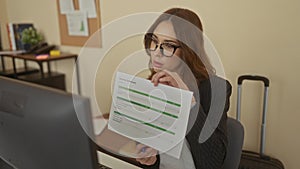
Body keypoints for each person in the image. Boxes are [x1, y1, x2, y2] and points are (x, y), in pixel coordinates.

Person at [134, 8, 232, 169]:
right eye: (155, 42)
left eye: (168, 45)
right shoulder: (151, 86)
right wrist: (151, 160)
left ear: (188, 51)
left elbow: (212, 163)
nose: (157, 53)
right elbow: (153, 155)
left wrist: (188, 102)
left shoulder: (215, 90)